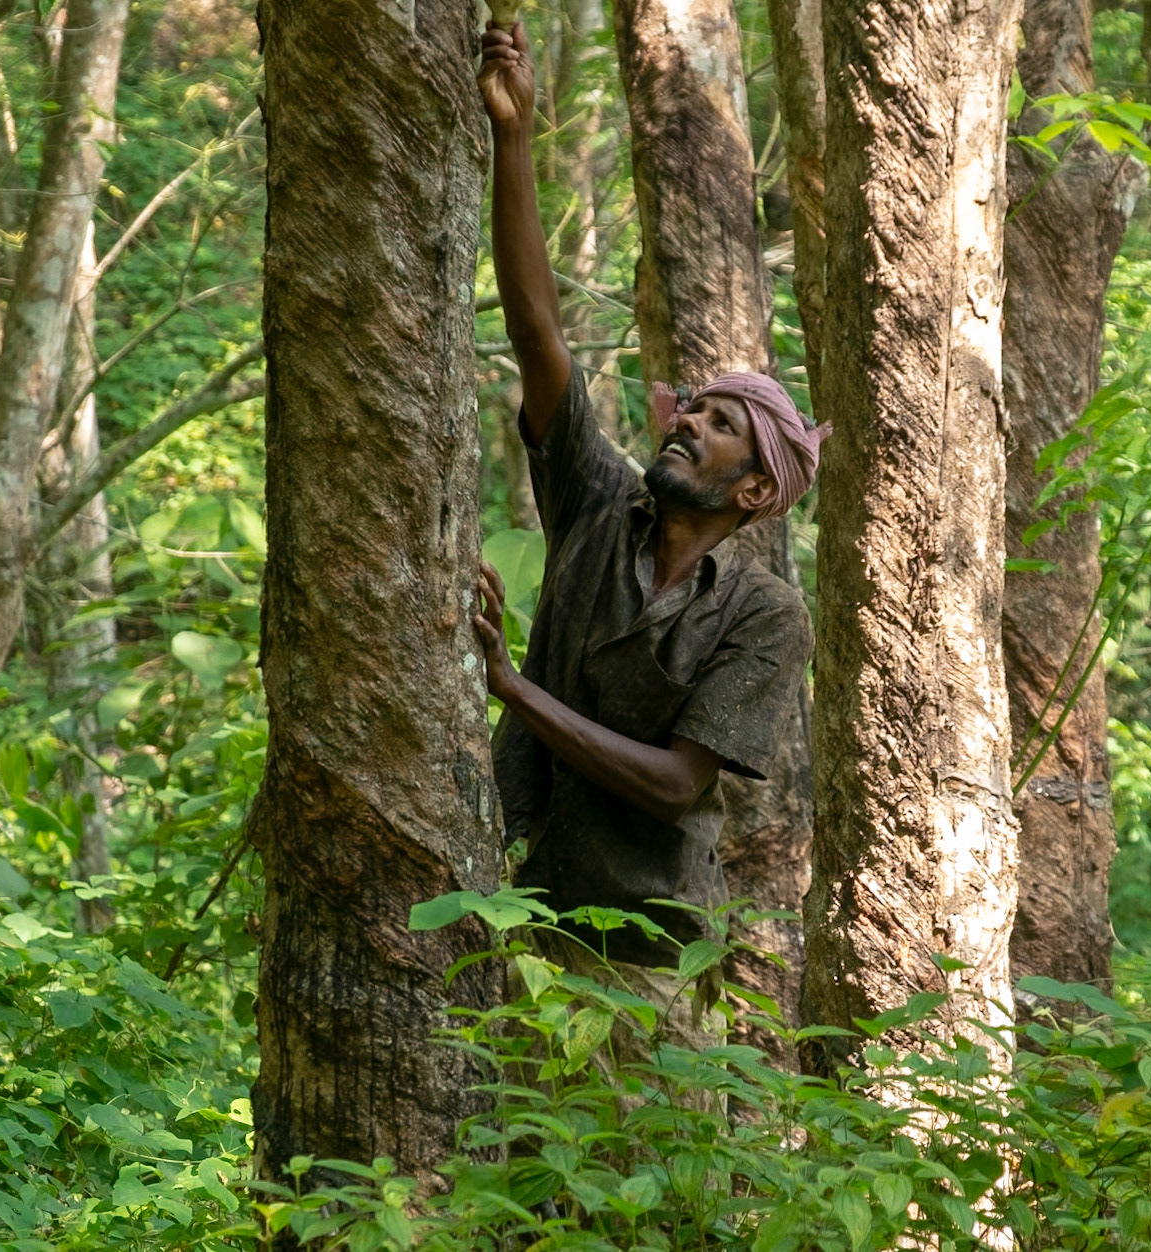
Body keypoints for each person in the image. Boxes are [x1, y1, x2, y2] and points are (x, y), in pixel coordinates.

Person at [473, 20, 826, 1056]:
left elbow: (677, 785)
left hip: (647, 964)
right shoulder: (596, 503)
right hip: (513, 918)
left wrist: (513, 688)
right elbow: (538, 332)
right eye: (690, 410)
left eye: (719, 426)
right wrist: (513, 139)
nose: (688, 424)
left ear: (755, 490)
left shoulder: (763, 613)